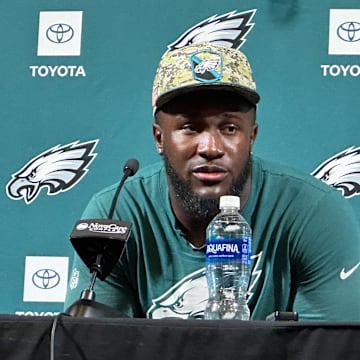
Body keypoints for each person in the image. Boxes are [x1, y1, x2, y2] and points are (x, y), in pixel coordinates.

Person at [64, 41, 360, 321]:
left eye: (230, 128)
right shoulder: (116, 216)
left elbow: (330, 347)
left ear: (252, 137)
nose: (211, 147)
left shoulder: (313, 212)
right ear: (159, 138)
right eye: (190, 128)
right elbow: (94, 344)